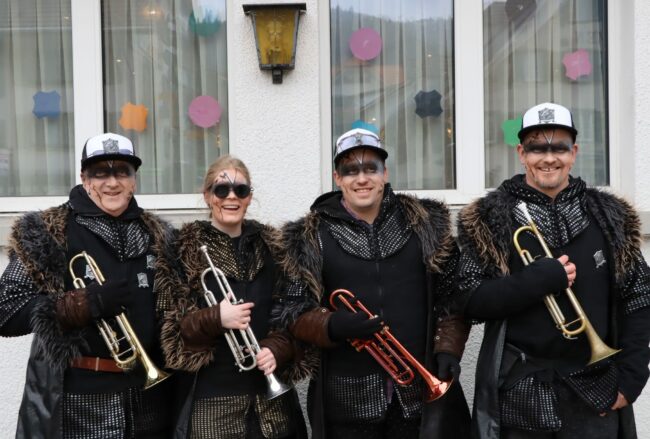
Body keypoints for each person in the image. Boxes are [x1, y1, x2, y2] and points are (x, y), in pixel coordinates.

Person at [456, 102, 650, 439]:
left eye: (559, 147)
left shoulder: (610, 215)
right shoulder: (488, 217)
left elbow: (639, 297)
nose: (548, 158)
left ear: (574, 152)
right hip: (520, 393)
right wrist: (533, 282)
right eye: (537, 148)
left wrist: (632, 378)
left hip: (596, 394)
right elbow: (468, 300)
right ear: (521, 153)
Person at [273, 128, 471, 438]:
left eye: (371, 168)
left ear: (385, 173)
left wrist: (448, 349)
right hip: (345, 402)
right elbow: (292, 311)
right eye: (351, 170)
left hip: (417, 397)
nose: (362, 178)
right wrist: (333, 324)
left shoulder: (425, 224)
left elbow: (453, 297)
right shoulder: (308, 236)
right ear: (338, 178)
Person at [0, 132, 179, 438]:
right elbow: (6, 310)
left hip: (149, 405)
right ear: (84, 179)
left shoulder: (160, 236)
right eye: (100, 173)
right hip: (80, 405)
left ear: (134, 180)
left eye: (122, 171)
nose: (112, 182)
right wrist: (81, 304)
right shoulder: (47, 231)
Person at [160, 155, 306, 439]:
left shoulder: (274, 248)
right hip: (212, 402)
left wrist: (277, 348)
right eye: (221, 190)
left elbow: (293, 315)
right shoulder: (180, 250)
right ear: (207, 196)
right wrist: (216, 317)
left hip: (269, 404)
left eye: (240, 190)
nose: (231, 197)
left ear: (249, 197)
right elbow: (169, 329)